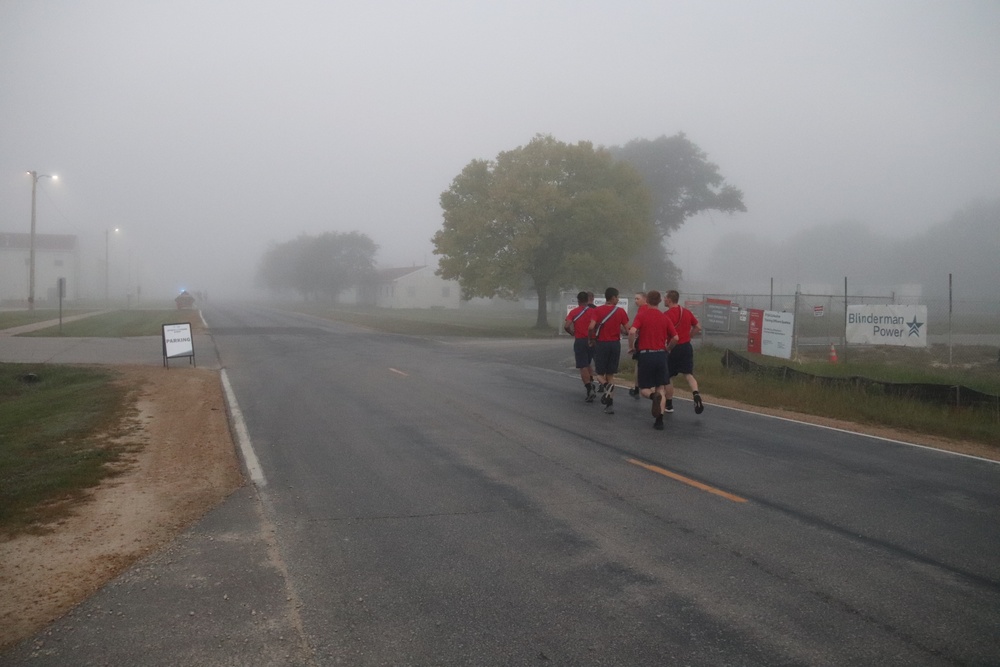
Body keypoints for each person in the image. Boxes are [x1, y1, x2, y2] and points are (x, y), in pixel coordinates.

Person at [628, 290, 679, 430]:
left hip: (646, 354)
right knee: (661, 388)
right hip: (661, 355)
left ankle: (652, 397)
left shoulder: (642, 315)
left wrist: (632, 347)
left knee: (644, 388)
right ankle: (659, 421)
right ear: (660, 301)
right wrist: (668, 349)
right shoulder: (664, 317)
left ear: (647, 300)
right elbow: (676, 338)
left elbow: (632, 331)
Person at [587, 287, 630, 415]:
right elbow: (628, 329)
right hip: (615, 344)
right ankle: (609, 404)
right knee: (611, 374)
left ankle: (606, 386)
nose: (618, 299)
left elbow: (591, 327)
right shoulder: (620, 311)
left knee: (599, 374)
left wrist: (592, 339)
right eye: (617, 297)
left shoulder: (598, 310)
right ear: (612, 298)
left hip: (602, 344)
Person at [663, 289, 704, 414]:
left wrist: (667, 348)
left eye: (665, 297)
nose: (664, 299)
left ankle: (669, 404)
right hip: (686, 346)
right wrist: (690, 335)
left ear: (669, 299)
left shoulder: (667, 314)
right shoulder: (686, 312)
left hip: (674, 347)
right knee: (688, 374)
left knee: (668, 376)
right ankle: (696, 393)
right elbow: (698, 326)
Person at [564, 291, 596, 402]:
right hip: (592, 340)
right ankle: (592, 381)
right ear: (588, 300)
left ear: (578, 300)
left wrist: (572, 332)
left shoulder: (574, 312)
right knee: (588, 363)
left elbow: (567, 325)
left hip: (580, 340)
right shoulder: (594, 311)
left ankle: (589, 388)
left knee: (583, 365)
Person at [628, 291, 647, 399]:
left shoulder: (642, 310)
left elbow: (633, 330)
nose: (636, 301)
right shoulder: (651, 309)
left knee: (638, 365)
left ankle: (636, 388)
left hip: (642, 340)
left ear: (645, 299)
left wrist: (631, 346)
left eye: (638, 299)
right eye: (635, 299)